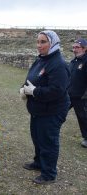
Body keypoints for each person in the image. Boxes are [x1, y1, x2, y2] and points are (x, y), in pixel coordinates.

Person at [20, 30, 70, 184]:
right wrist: (23, 88)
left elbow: (57, 90)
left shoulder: (58, 64)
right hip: (38, 109)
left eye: (43, 42)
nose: (39, 45)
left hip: (52, 111)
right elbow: (31, 77)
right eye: (38, 42)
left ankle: (49, 173)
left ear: (53, 43)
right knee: (37, 138)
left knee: (48, 141)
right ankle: (39, 163)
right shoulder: (41, 59)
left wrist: (34, 91)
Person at [68, 38, 87, 148]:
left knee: (83, 117)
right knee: (59, 111)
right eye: (73, 47)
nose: (74, 49)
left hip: (81, 97)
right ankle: (52, 129)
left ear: (85, 48)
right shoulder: (74, 61)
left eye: (77, 47)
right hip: (69, 94)